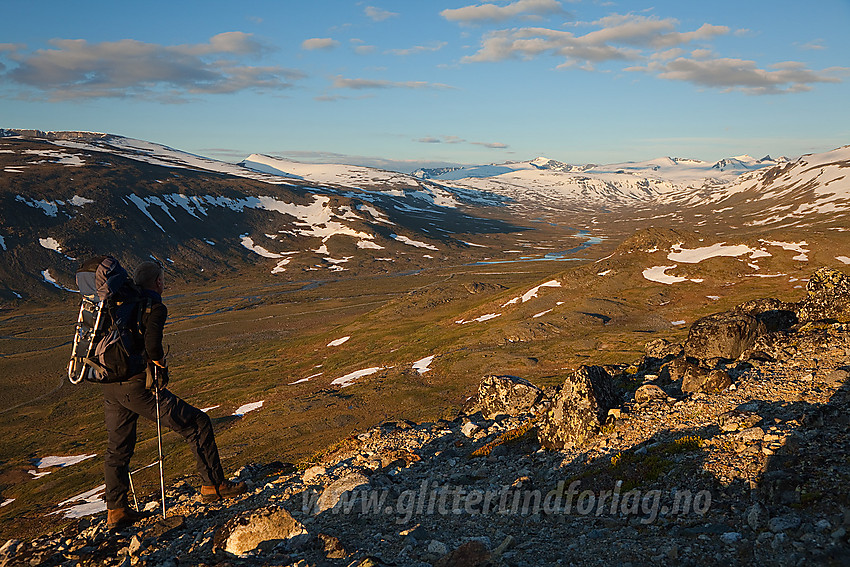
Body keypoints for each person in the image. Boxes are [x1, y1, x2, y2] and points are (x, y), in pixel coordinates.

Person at [103, 260, 245, 530]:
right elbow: (153, 344)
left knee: (117, 449)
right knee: (197, 423)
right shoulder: (154, 306)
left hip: (111, 385)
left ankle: (116, 510)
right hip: (137, 386)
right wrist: (158, 367)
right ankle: (212, 486)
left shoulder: (120, 303)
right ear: (158, 281)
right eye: (163, 279)